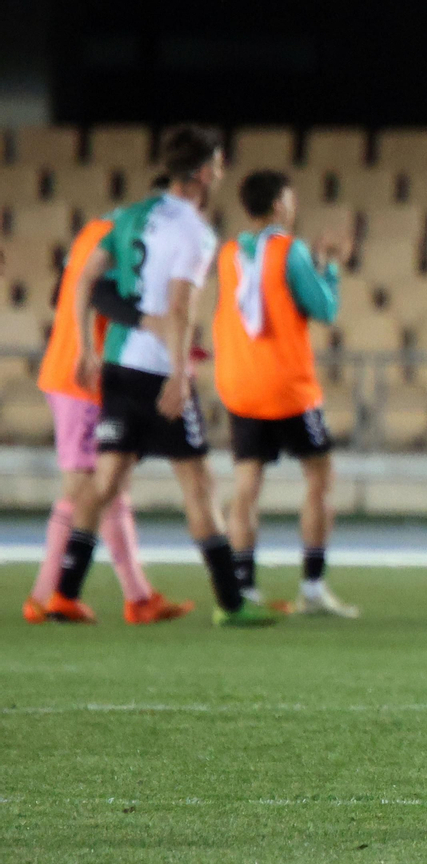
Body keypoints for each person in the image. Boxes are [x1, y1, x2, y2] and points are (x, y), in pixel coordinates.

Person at [50, 124, 277, 627]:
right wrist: (179, 374)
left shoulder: (129, 216)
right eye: (218, 164)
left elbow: (85, 280)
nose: (221, 173)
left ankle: (64, 593)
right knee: (198, 483)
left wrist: (87, 349)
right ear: (203, 173)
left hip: (117, 365)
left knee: (106, 480)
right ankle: (231, 604)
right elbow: (179, 308)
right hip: (157, 370)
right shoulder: (195, 232)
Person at [23, 178, 188, 625]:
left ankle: (137, 598)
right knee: (85, 490)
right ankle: (47, 597)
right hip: (82, 378)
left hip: (80, 372)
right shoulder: (125, 237)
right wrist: (149, 326)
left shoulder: (97, 229)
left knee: (108, 488)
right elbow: (97, 293)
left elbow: (64, 291)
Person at [214, 170, 356, 618]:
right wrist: (329, 266)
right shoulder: (289, 251)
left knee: (246, 487)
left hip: (241, 384)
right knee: (320, 478)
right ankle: (312, 587)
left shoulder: (228, 254)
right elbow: (324, 309)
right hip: (288, 387)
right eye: (290, 198)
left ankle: (244, 589)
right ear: (278, 204)